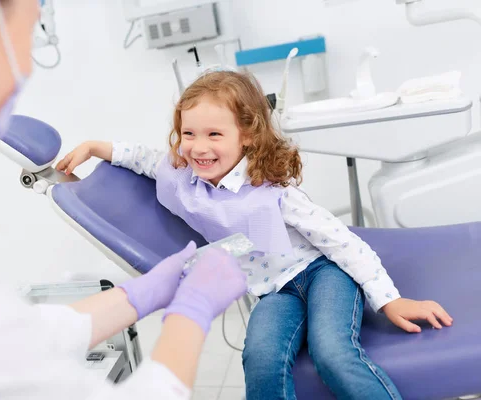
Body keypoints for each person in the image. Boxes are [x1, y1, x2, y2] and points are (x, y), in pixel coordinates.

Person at [0, 1, 248, 399]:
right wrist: (191, 313)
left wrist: (137, 296)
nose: (26, 62)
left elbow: (5, 344)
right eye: (34, 27)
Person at [57, 69, 455, 400]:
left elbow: (341, 240)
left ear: (246, 135)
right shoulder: (181, 177)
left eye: (214, 135)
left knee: (332, 353)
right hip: (274, 291)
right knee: (260, 359)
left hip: (322, 273)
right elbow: (142, 158)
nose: (198, 147)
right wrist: (96, 146)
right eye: (189, 133)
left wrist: (390, 300)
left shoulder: (273, 191)